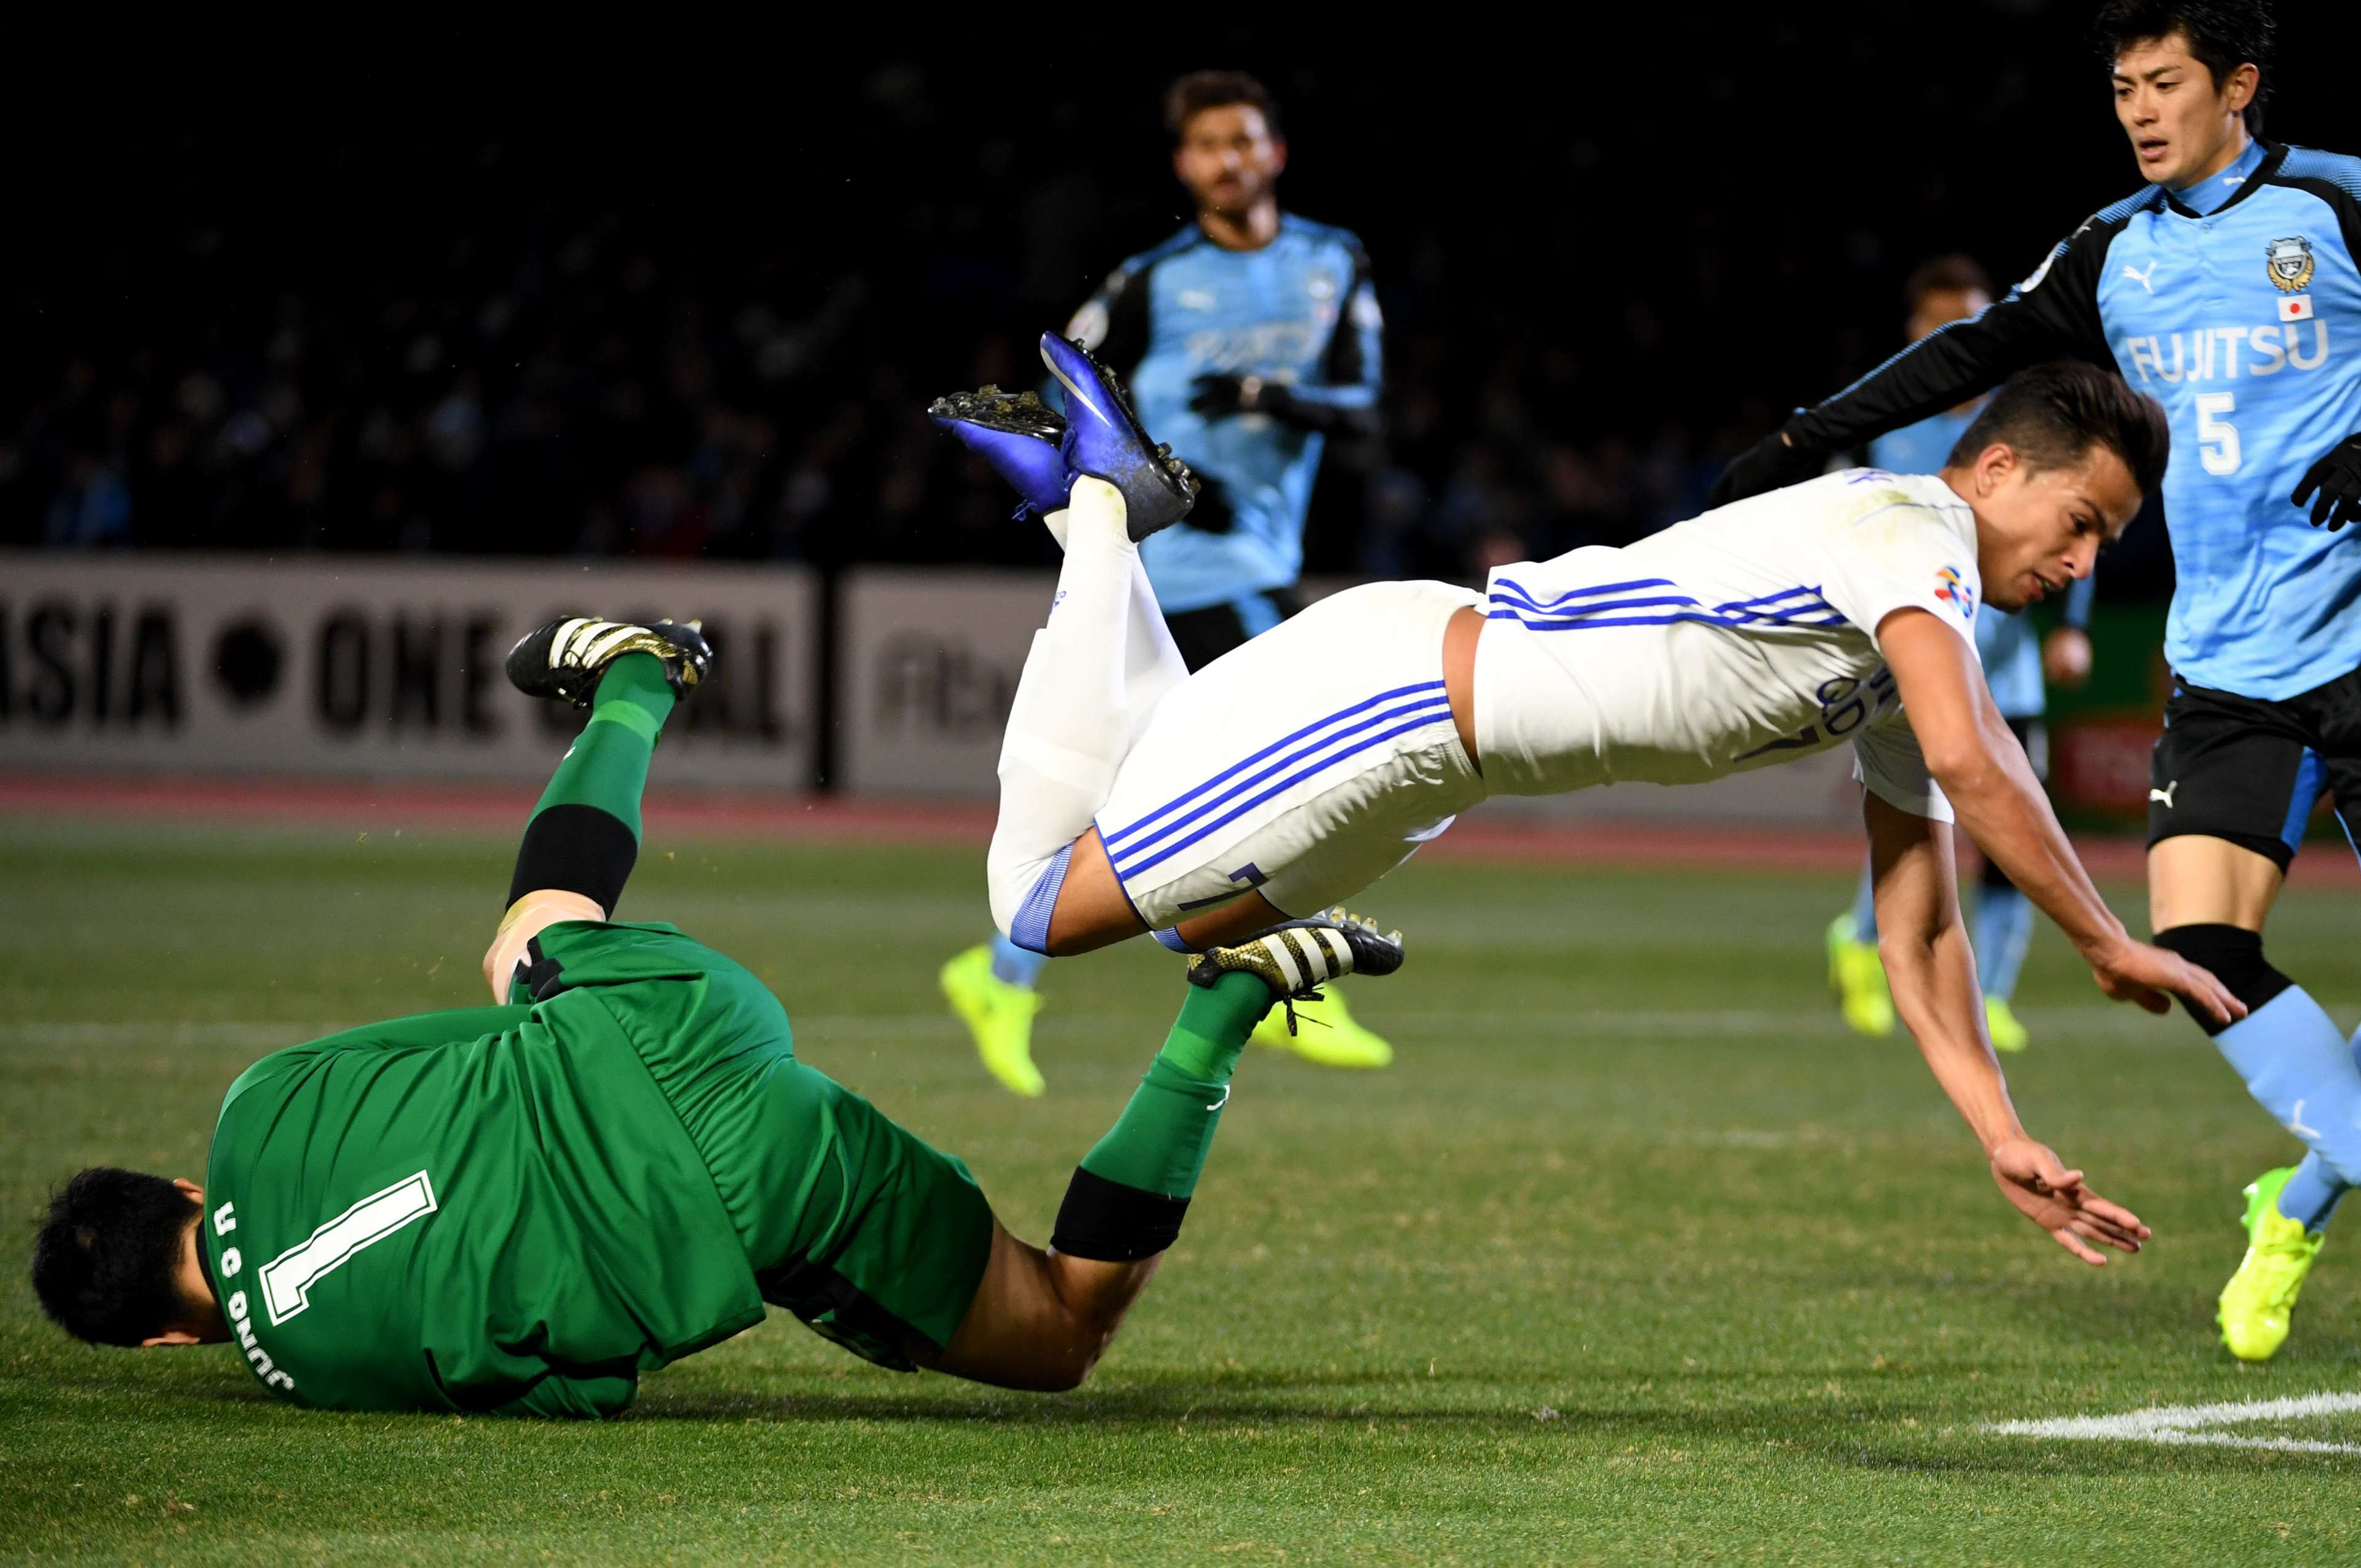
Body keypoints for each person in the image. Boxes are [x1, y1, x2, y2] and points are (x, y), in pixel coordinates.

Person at [939, 333, 2244, 1269]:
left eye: (2105, 547)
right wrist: (2109, 941)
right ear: (2000, 468)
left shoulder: (1907, 640)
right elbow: (1979, 758)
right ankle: (1101, 514)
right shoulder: (1914, 534)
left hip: (1424, 762)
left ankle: (1101, 512)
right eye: (2081, 522)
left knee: (1195, 925)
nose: (2077, 564)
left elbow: (1921, 925)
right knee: (1039, 906)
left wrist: (1999, 1129)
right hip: (1393, 708)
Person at [30, 616, 1402, 1414]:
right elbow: (471, 1035)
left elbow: (583, 1381)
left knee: (1054, 1329)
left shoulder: (322, 1375)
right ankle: (639, 676)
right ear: (180, 1182)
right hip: (670, 1016)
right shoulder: (258, 1101)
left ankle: (1218, 1014)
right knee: (529, 942)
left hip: (738, 1195)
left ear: (161, 1337)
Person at [1708, 0, 2361, 1362]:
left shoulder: (2336, 203)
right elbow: (1971, 354)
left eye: (2167, 84)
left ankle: (2298, 1198)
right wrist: (1804, 434)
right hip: (2232, 668)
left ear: (2239, 86)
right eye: (2123, 87)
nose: (2140, 111)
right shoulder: (2115, 252)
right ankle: (2321, 1173)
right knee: (2200, 951)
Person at [941, 70, 1394, 1095]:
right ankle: (1274, 971)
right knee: (1303, 756)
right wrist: (1148, 474)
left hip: (1258, 552)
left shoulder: (1333, 260)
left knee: (1151, 788)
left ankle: (1003, 973)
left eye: (1244, 140)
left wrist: (1270, 396)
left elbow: (1366, 410)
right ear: (1184, 166)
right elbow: (1068, 370)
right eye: (1206, 146)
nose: (1227, 160)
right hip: (1189, 560)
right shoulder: (1152, 278)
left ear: (1275, 151)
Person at [1822, 258, 2098, 1052]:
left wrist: (2073, 624)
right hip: (1922, 670)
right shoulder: (1888, 427)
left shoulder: (2023, 426)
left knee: (2017, 835)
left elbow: (2075, 520)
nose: (1954, 338)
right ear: (1914, 333)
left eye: (1968, 322)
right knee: (1920, 825)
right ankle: (1865, 943)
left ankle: (1996, 995)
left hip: (2007, 672)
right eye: (1938, 324)